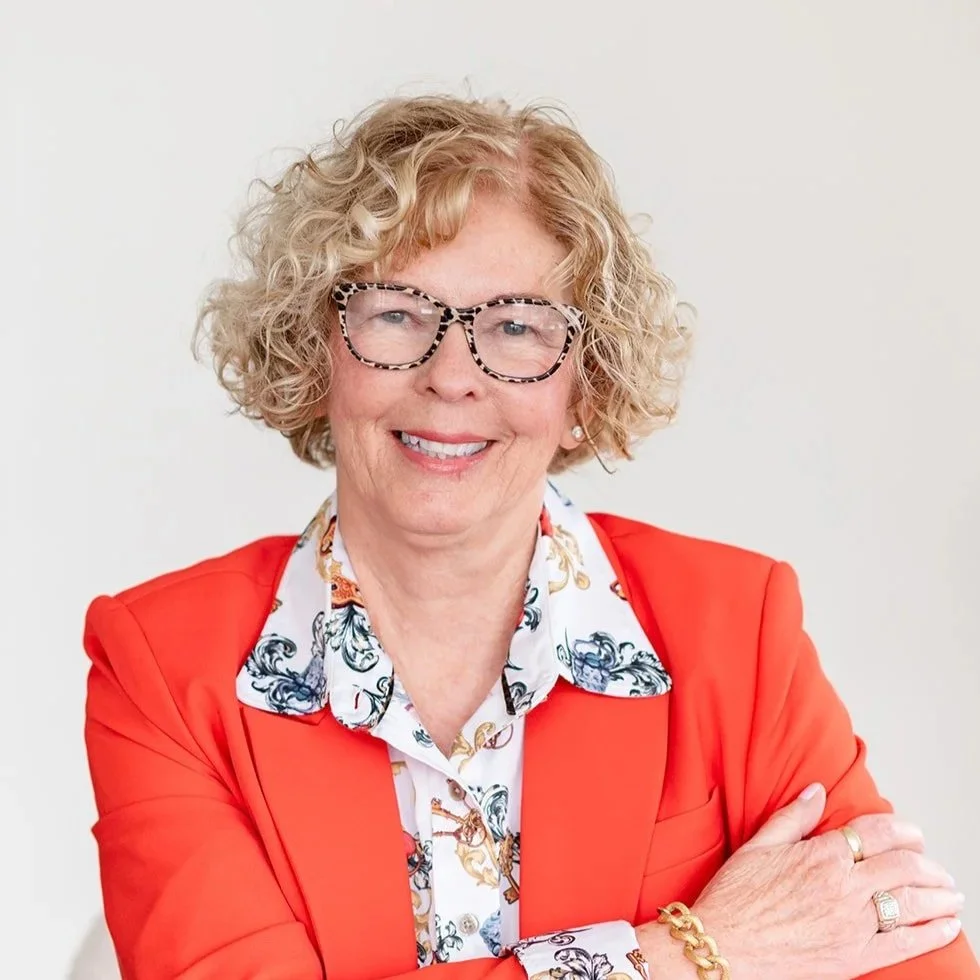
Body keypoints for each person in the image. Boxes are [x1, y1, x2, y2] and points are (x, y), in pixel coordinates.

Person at [82, 94, 976, 980]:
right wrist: (696, 954)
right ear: (319, 351)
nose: (452, 377)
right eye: (397, 313)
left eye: (515, 327)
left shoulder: (737, 630)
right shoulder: (162, 668)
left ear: (583, 391)